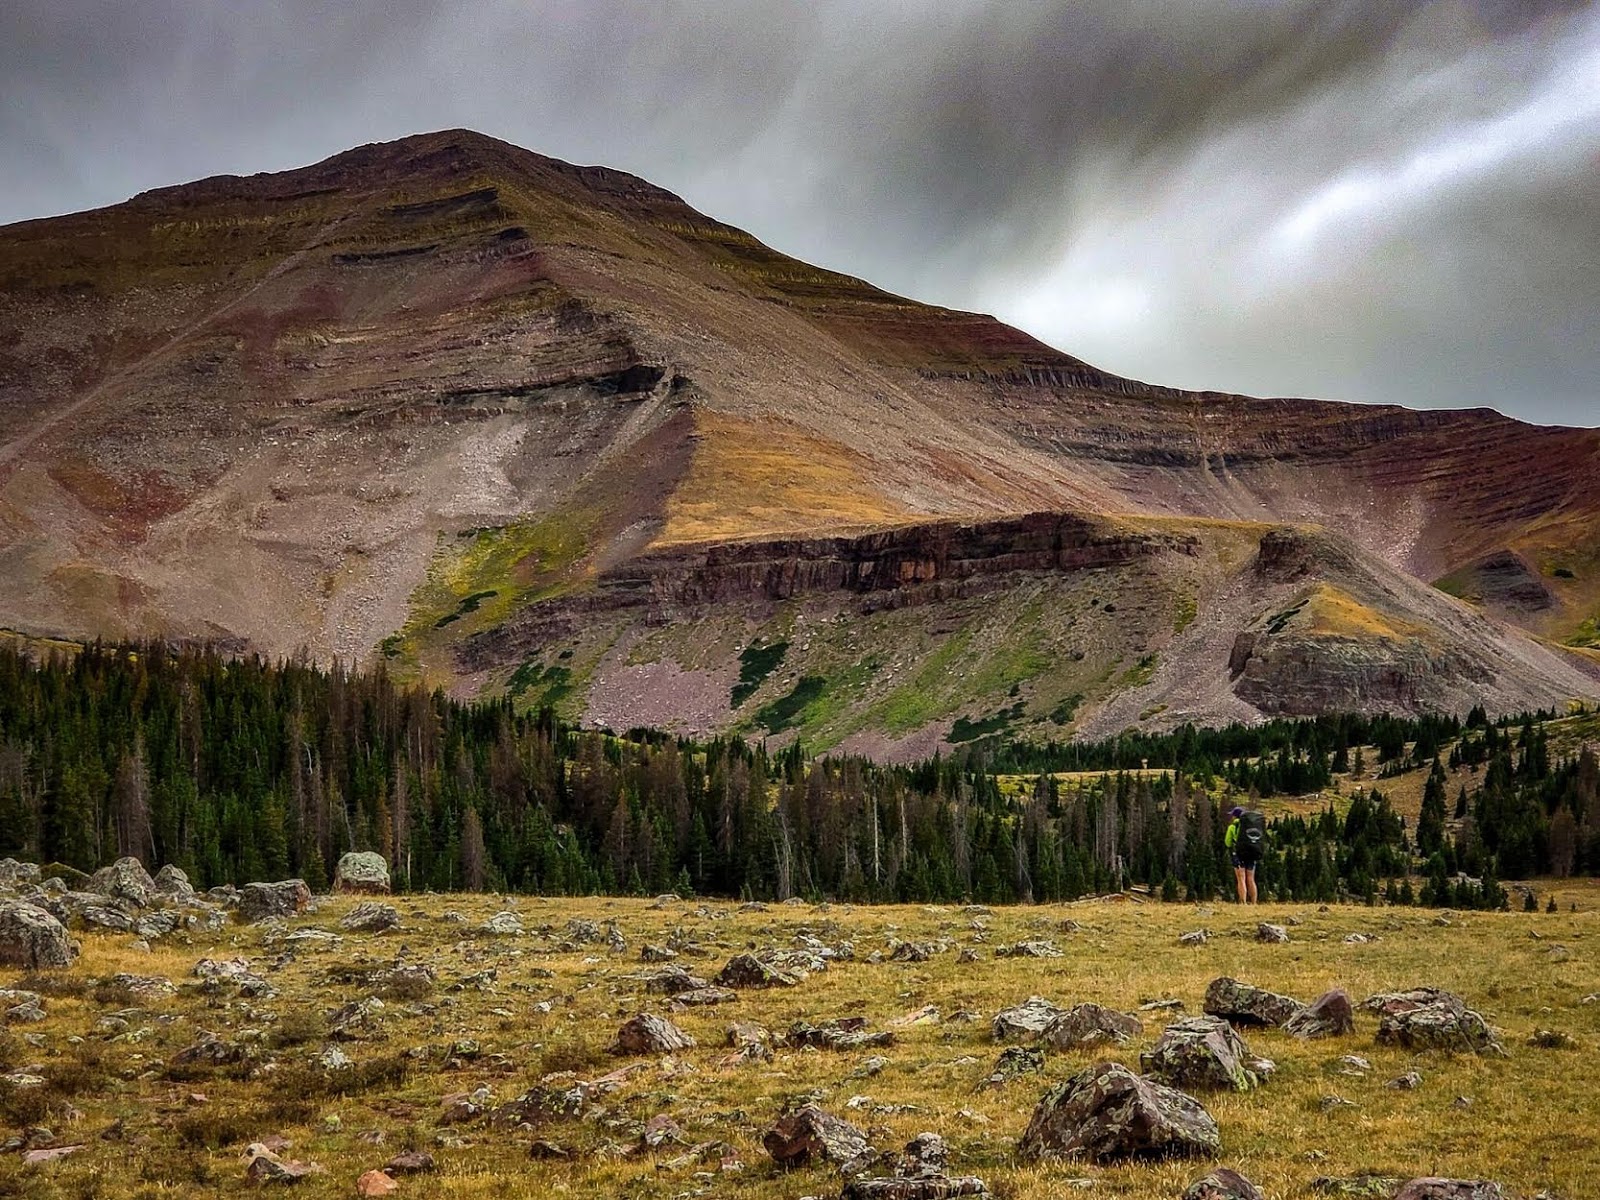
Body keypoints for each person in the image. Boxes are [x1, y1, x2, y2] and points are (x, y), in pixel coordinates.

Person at [1225, 805, 1263, 904]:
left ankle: (1243, 902)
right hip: (1252, 852)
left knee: (1241, 879)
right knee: (1251, 879)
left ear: (1235, 816)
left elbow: (1227, 842)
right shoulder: (1251, 826)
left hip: (1239, 854)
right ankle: (1254, 902)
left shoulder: (1233, 827)